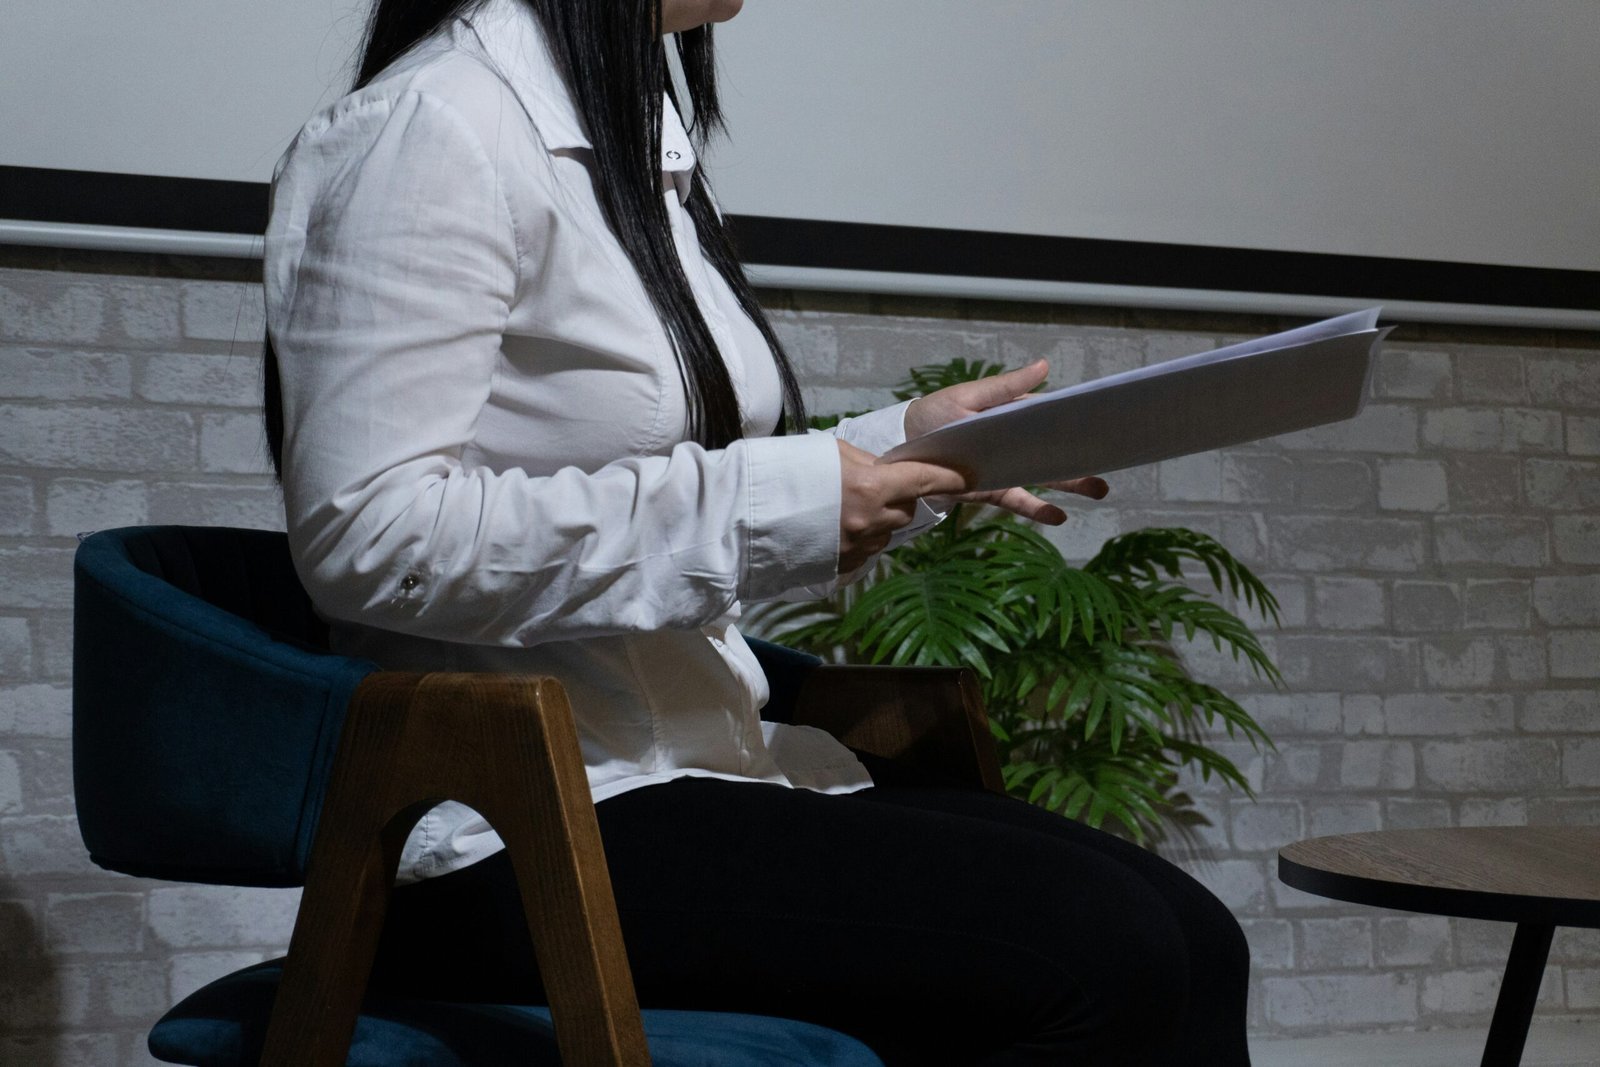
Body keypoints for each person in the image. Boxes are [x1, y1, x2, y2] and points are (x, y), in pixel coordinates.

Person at [262, 0, 1252, 1061]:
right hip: (515, 823)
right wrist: (782, 504)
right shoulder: (429, 126)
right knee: (1107, 944)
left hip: (690, 760)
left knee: (1195, 934)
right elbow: (370, 535)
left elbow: (656, 463)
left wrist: (904, 446)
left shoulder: (626, 127)